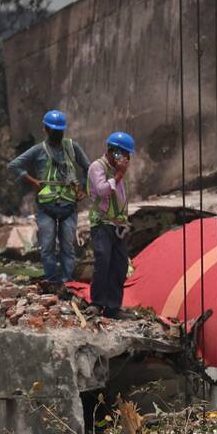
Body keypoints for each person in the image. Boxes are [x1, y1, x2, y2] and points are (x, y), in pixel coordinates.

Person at [7, 109, 91, 289]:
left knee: (68, 246)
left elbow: (88, 168)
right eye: (54, 130)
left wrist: (83, 188)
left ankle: (68, 283)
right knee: (47, 246)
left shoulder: (72, 147)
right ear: (45, 129)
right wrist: (32, 180)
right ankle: (53, 281)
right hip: (46, 207)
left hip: (69, 205)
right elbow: (14, 165)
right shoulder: (38, 150)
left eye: (59, 130)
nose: (57, 133)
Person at [88, 131, 134, 318]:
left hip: (118, 226)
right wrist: (118, 176)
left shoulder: (119, 173)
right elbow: (101, 190)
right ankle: (97, 304)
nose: (127, 159)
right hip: (102, 224)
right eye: (125, 155)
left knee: (119, 266)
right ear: (114, 152)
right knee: (103, 262)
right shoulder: (97, 167)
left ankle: (113, 307)